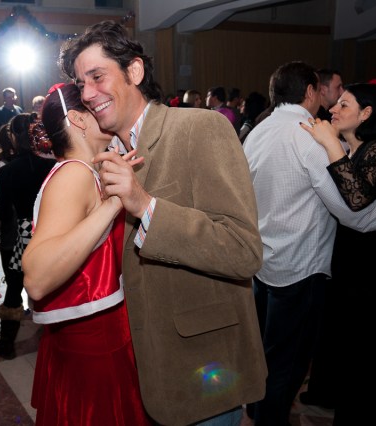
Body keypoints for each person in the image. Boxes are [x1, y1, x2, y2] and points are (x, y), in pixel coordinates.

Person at [59, 21, 267, 425]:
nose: (86, 93)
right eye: (81, 84)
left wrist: (145, 205)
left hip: (202, 369)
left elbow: (243, 251)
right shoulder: (105, 157)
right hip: (140, 369)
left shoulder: (199, 129)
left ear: (134, 71)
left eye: (97, 77)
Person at [242, 62, 376, 426]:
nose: (330, 104)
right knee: (287, 363)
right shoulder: (311, 136)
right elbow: (352, 213)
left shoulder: (258, 130)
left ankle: (258, 411)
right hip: (299, 266)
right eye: (326, 94)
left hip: (264, 260)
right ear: (309, 92)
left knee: (267, 353)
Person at [21, 83, 149, 425]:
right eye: (97, 106)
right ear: (78, 119)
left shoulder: (86, 170)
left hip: (95, 334)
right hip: (94, 344)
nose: (108, 110)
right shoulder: (75, 174)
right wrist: (113, 204)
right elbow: (36, 278)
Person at [300, 83, 376, 425]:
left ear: (366, 113)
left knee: (368, 350)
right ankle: (333, 398)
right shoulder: (355, 149)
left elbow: (357, 199)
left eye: (344, 104)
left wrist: (331, 143)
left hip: (375, 268)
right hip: (350, 259)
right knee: (343, 341)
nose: (333, 109)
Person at [0, 113, 55, 360]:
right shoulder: (53, 165)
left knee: (14, 288)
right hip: (52, 233)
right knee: (55, 284)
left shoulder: (7, 171)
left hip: (22, 236)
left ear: (14, 137)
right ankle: (58, 338)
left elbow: (4, 213)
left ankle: (6, 343)